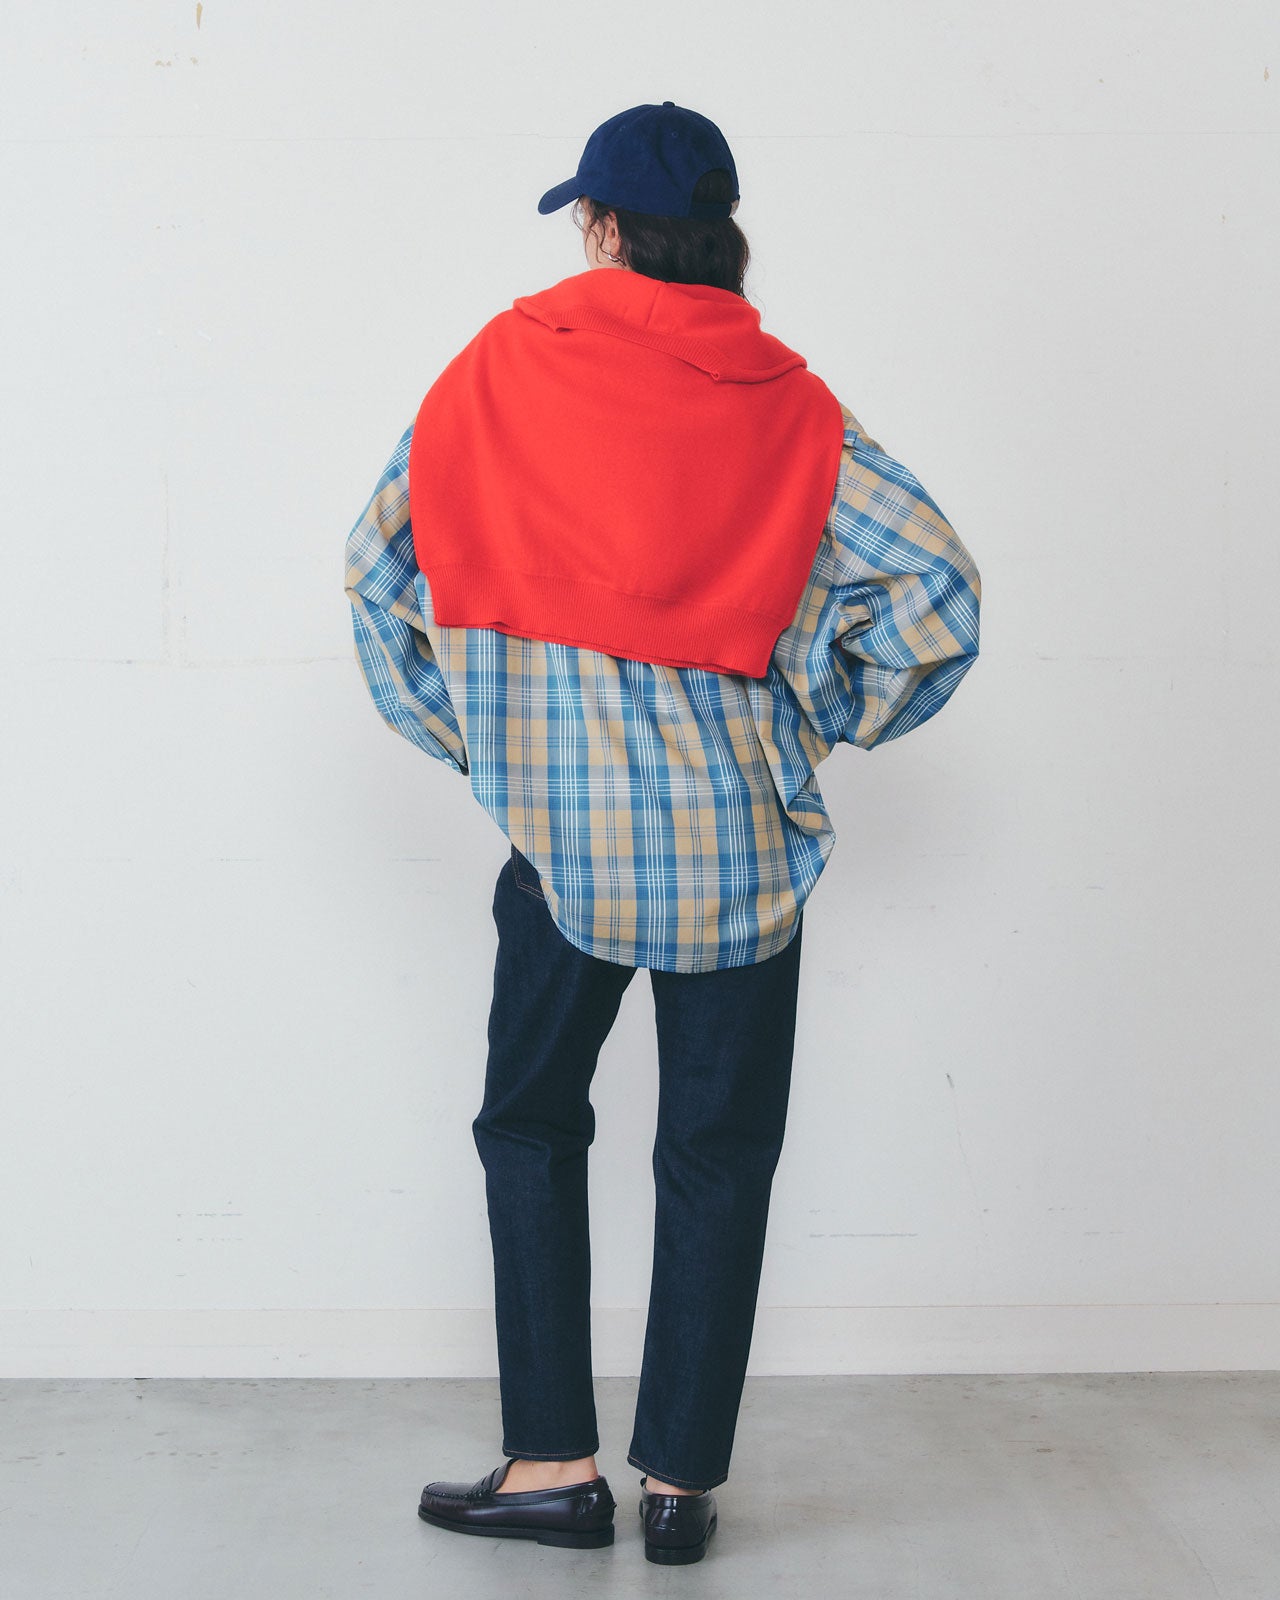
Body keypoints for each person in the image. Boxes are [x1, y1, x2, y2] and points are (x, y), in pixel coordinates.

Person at [344, 100, 982, 1565]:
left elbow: (379, 580)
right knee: (718, 1154)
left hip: (560, 847)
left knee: (529, 1126)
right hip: (740, 855)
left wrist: (488, 743)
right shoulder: (793, 408)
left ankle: (552, 1466)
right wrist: (810, 715)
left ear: (606, 227)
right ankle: (683, 1487)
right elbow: (937, 597)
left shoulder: (495, 372)